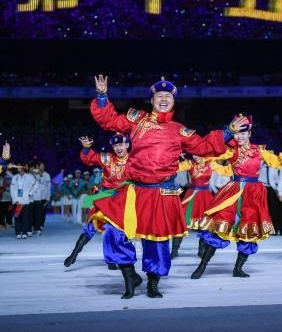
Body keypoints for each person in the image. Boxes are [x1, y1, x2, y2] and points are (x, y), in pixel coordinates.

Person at [87, 74, 233, 299]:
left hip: (161, 192)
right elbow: (109, 120)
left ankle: (153, 283)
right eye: (159, 95)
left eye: (168, 96)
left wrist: (228, 131)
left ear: (173, 102)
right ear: (152, 99)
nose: (163, 99)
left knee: (157, 240)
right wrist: (102, 95)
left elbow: (204, 146)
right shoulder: (137, 119)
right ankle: (129, 275)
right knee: (113, 232)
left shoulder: (179, 130)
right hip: (134, 191)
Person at [191, 114, 282, 279]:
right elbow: (212, 153)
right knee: (219, 230)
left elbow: (276, 161)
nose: (239, 136)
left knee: (249, 232)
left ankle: (238, 269)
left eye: (243, 133)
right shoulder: (231, 150)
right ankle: (201, 267)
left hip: (253, 194)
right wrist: (204, 153)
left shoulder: (259, 150)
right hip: (233, 192)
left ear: (249, 133)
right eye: (236, 133)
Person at [64, 133, 132, 269]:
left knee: (117, 231)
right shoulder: (107, 158)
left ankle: (113, 260)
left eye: (121, 145)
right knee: (92, 225)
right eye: (115, 145)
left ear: (127, 145)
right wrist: (86, 148)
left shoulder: (134, 159)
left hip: (124, 201)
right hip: (107, 199)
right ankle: (74, 253)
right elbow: (89, 158)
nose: (118, 148)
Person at [10, 163, 34, 239]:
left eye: (19, 166)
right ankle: (18, 232)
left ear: (23, 167)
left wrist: (30, 193)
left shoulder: (29, 177)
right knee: (17, 217)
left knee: (25, 218)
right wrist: (15, 200)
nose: (17, 167)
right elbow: (12, 189)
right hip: (17, 201)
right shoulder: (14, 177)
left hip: (25, 200)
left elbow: (35, 185)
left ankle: (24, 232)